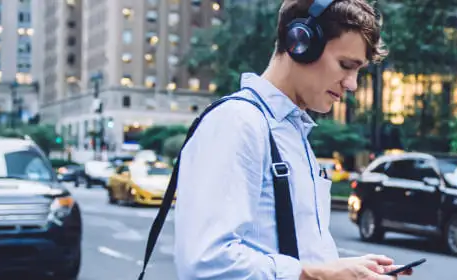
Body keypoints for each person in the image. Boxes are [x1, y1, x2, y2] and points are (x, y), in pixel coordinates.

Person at [173, 0, 411, 279]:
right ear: (300, 43)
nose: (352, 84)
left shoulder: (291, 133)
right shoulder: (238, 122)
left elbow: (293, 255)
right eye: (346, 65)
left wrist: (351, 271)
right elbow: (204, 261)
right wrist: (322, 274)